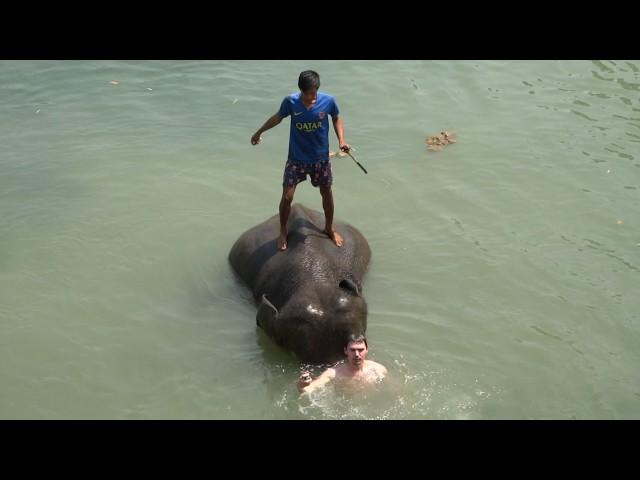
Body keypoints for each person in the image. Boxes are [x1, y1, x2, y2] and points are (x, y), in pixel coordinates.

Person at [250, 70, 351, 251]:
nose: (311, 98)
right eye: (307, 94)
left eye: (313, 93)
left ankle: (329, 227)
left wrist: (342, 140)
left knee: (327, 192)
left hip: (321, 158)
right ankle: (282, 231)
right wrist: (259, 132)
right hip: (297, 158)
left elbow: (336, 117)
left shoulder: (328, 101)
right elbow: (277, 117)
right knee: (287, 197)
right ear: (300, 91)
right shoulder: (291, 102)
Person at [297, 334, 387, 395]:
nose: (356, 354)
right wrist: (301, 385)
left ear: (366, 350)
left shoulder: (379, 369)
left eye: (360, 350)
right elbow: (308, 390)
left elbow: (392, 388)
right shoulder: (333, 373)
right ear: (345, 351)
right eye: (352, 350)